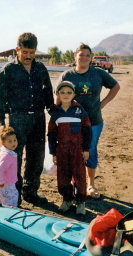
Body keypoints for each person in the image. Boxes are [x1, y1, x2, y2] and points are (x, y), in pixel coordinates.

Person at [0, 32, 55, 206]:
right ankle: (15, 195)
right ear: (17, 50)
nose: (28, 56)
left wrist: (54, 112)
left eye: (32, 52)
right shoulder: (8, 70)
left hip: (38, 117)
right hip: (17, 118)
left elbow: (47, 92)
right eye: (25, 52)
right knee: (15, 158)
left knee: (36, 157)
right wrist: (1, 123)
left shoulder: (41, 68)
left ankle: (31, 192)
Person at [58, 43, 120, 199]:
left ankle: (91, 185)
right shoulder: (67, 76)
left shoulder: (98, 73)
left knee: (90, 151)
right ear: (75, 56)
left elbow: (115, 86)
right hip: (72, 122)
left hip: (93, 121)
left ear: (91, 57)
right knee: (73, 152)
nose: (84, 57)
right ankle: (76, 184)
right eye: (81, 54)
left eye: (87, 55)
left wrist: (103, 103)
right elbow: (58, 97)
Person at [48, 81, 92, 215]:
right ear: (57, 94)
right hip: (61, 150)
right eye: (62, 92)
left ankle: (80, 202)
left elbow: (87, 130)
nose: (66, 95)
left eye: (69, 92)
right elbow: (51, 134)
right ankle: (67, 199)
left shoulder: (79, 110)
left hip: (77, 150)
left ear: (73, 94)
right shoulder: (56, 113)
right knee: (63, 174)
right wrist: (53, 152)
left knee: (79, 174)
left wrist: (86, 149)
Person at [0, 127, 19, 207]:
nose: (13, 143)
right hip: (5, 183)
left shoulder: (8, 152)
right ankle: (10, 210)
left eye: (15, 140)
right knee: (11, 197)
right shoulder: (6, 155)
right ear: (3, 143)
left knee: (1, 195)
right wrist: (1, 182)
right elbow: (0, 170)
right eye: (9, 141)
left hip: (5, 181)